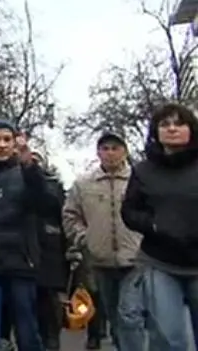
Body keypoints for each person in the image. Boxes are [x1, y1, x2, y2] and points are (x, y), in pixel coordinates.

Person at [0, 119, 61, 351]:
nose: (2, 145)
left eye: (7, 139)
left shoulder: (27, 174)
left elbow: (47, 206)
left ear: (16, 143)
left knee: (27, 331)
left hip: (20, 265)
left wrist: (30, 169)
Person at [121, 102, 198, 350]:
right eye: (164, 124)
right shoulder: (143, 170)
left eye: (179, 123)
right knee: (168, 338)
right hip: (160, 263)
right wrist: (154, 224)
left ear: (191, 130)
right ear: (155, 132)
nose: (172, 129)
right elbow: (129, 211)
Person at [62, 132, 145, 351]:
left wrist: (146, 237)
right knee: (113, 316)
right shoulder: (83, 184)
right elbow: (70, 215)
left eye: (115, 148)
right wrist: (84, 238)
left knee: (129, 313)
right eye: (105, 148)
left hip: (134, 260)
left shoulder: (139, 180)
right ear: (98, 152)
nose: (110, 153)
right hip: (100, 261)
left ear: (124, 152)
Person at [32, 151, 69, 351]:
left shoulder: (53, 186)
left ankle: (52, 340)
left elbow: (60, 212)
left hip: (50, 251)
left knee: (49, 303)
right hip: (25, 250)